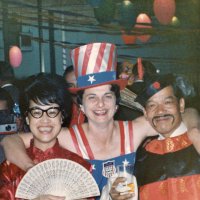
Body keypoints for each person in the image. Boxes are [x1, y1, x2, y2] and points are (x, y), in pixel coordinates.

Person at [1, 43, 200, 199]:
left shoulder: (134, 130)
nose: (100, 104)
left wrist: (194, 132)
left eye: (107, 96)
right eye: (91, 97)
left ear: (116, 103)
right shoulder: (70, 137)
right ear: (80, 106)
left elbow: (183, 113)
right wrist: (31, 168)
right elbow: (11, 141)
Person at [0, 73, 91, 199]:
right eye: (37, 112)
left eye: (52, 112)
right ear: (27, 118)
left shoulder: (79, 166)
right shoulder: (9, 168)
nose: (45, 120)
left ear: (62, 116)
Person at [133, 74, 200, 199]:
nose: (160, 111)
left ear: (181, 105)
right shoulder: (141, 158)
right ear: (145, 113)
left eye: (167, 102)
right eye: (152, 105)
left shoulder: (196, 142)